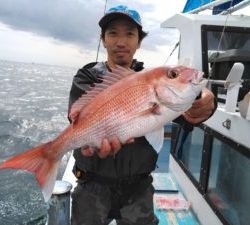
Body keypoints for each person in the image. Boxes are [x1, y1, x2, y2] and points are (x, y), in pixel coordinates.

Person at [68, 5, 216, 225]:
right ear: (103, 39)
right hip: (92, 186)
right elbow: (80, 121)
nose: (121, 41)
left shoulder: (150, 80)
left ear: (139, 41)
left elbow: (184, 114)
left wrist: (203, 100)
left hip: (138, 188)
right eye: (113, 33)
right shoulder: (87, 77)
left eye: (129, 33)